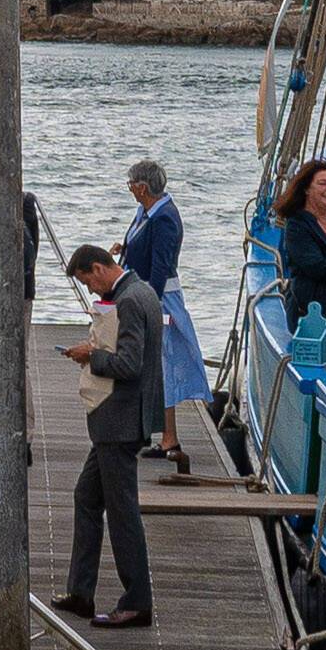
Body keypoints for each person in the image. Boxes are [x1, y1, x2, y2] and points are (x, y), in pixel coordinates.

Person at [57, 240, 160, 627]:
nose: (91, 290)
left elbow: (129, 364)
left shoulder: (129, 301)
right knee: (86, 495)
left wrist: (91, 356)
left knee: (122, 512)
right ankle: (81, 591)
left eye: (88, 282)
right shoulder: (143, 290)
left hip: (118, 421)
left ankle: (137, 601)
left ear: (99, 268)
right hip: (116, 422)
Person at [117, 157, 203, 469]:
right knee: (153, 366)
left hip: (161, 297)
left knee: (163, 366)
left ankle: (169, 436)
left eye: (131, 185)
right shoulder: (146, 211)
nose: (130, 190)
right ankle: (162, 433)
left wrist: (147, 304)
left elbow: (161, 266)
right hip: (142, 290)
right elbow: (138, 244)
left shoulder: (164, 217)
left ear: (142, 187)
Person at [275, 162, 326, 327]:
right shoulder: (297, 226)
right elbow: (318, 267)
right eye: (322, 183)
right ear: (306, 189)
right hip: (316, 301)